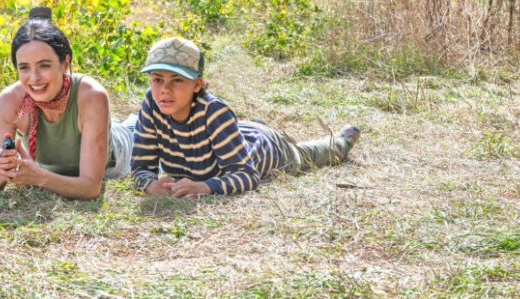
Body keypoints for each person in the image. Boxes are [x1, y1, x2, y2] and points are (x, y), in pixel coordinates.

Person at [131, 37, 361, 198]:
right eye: (157, 79)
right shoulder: (152, 104)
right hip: (239, 132)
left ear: (197, 84)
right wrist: (150, 185)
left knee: (305, 155)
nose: (164, 90)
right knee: (238, 136)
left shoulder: (213, 112)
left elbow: (247, 175)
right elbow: (141, 166)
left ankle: (340, 143)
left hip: (269, 149)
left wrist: (204, 187)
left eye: (177, 80)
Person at [0, 7, 133, 200]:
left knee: (134, 127)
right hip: (67, 155)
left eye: (44, 66)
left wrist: (37, 177)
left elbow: (90, 188)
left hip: (122, 148)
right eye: (24, 68)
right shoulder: (11, 100)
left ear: (65, 63)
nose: (34, 79)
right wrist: (1, 170)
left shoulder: (92, 96)